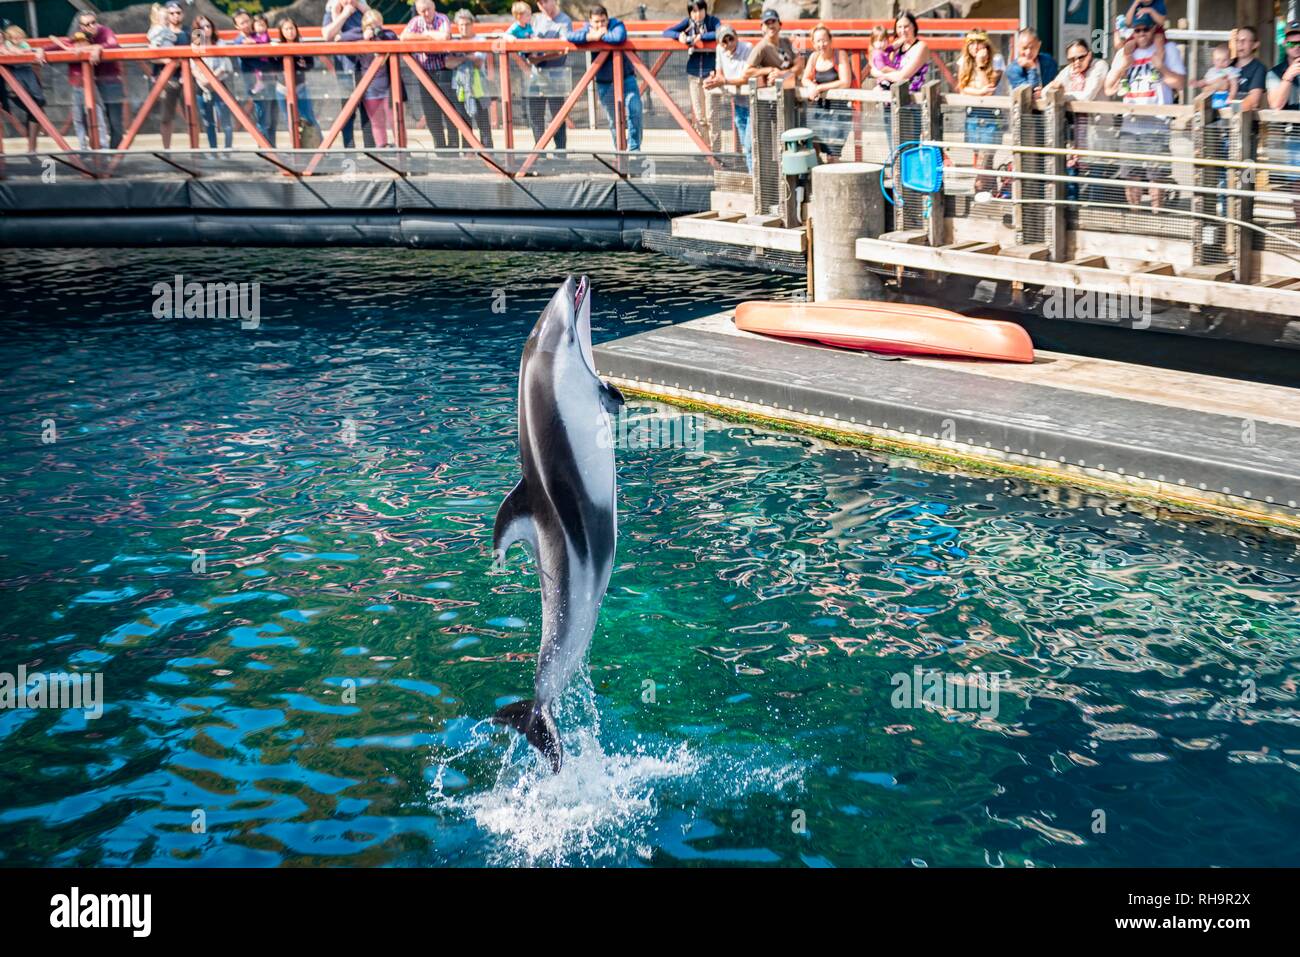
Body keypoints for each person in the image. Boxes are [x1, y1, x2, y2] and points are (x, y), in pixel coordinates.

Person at [1104, 12, 1185, 210]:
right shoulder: (1125, 51)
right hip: (1130, 123)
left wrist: (1161, 67)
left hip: (1157, 124)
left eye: (1145, 29)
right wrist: (1124, 64)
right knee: (1131, 175)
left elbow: (1180, 84)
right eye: (1137, 30)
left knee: (1156, 176)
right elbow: (1108, 88)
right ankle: (1135, 214)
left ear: (1154, 30)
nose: (1141, 33)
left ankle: (1157, 216)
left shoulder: (1167, 49)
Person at [567, 5, 641, 152]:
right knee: (614, 120)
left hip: (626, 78)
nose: (600, 25)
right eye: (596, 22)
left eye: (603, 21)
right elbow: (570, 36)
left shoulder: (616, 24)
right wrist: (590, 37)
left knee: (635, 109)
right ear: (590, 21)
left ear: (608, 19)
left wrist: (599, 36)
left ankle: (634, 150)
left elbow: (619, 37)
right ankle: (620, 151)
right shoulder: (587, 29)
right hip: (604, 82)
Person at [664, 1, 722, 154]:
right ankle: (706, 150)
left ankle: (717, 152)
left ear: (705, 10)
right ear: (689, 13)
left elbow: (720, 32)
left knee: (712, 115)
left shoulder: (712, 21)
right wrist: (680, 36)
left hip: (711, 74)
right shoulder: (687, 23)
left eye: (700, 10)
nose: (697, 14)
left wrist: (700, 37)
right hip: (694, 73)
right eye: (694, 11)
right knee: (700, 116)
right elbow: (666, 32)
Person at [63, 10, 124, 149]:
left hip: (110, 82)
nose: (91, 26)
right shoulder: (80, 35)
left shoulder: (105, 31)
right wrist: (42, 49)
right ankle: (97, 152)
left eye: (93, 22)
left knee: (115, 123)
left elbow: (113, 44)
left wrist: (98, 47)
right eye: (86, 24)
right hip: (91, 84)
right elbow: (63, 44)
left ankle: (114, 157)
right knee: (91, 120)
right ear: (81, 26)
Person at [400, 0, 454, 150]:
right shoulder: (416, 21)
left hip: (443, 71)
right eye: (422, 11)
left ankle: (454, 146)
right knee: (431, 113)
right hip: (423, 72)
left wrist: (425, 34)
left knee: (449, 111)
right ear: (418, 11)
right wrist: (429, 37)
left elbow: (444, 37)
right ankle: (440, 147)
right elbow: (404, 37)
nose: (426, 13)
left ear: (434, 7)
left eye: (428, 9)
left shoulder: (442, 18)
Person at [341, 8, 399, 147]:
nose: (375, 29)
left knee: (395, 120)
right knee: (377, 122)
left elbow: (393, 37)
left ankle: (401, 148)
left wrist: (379, 36)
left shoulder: (386, 34)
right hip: (369, 89)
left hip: (388, 88)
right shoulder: (359, 34)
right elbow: (341, 38)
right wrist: (364, 37)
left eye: (377, 25)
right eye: (371, 26)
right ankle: (382, 147)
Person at [956, 29, 1002, 194]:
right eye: (971, 43)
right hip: (972, 115)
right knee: (980, 159)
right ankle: (991, 192)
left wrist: (980, 65)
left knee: (985, 159)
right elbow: (962, 88)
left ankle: (980, 191)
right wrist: (979, 92)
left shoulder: (996, 60)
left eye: (978, 43)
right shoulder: (964, 61)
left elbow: (989, 89)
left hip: (991, 115)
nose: (975, 47)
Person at [322, 0, 373, 148]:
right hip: (344, 67)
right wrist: (344, 15)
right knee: (347, 110)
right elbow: (327, 35)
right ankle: (349, 148)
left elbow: (378, 26)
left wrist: (364, 8)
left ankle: (372, 148)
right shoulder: (331, 11)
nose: (349, 1)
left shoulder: (363, 10)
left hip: (366, 66)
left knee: (368, 108)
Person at [703, 23, 752, 171]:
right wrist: (714, 79)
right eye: (724, 41)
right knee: (746, 145)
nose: (728, 43)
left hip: (754, 104)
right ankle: (753, 178)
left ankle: (757, 181)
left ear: (736, 37)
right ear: (720, 43)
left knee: (750, 146)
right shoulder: (720, 50)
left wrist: (723, 81)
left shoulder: (747, 48)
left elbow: (746, 77)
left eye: (731, 38)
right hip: (739, 103)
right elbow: (720, 72)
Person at [1265, 21, 1300, 227]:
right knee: (1298, 186)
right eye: (1292, 43)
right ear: (1285, 44)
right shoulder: (1275, 72)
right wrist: (1288, 77)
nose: (1296, 47)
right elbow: (1275, 105)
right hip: (1293, 135)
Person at [528, 0, 574, 151]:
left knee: (557, 115)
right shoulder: (535, 19)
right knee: (535, 113)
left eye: (545, 1)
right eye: (540, 3)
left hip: (556, 74)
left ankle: (560, 151)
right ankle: (539, 150)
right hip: (536, 74)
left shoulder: (564, 21)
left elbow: (563, 49)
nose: (543, 6)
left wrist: (539, 57)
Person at [800, 24, 849, 162]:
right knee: (814, 148)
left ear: (831, 40)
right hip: (820, 111)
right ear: (813, 43)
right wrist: (811, 86)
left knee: (833, 154)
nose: (822, 44)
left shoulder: (840, 55)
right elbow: (805, 78)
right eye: (818, 41)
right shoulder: (814, 57)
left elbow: (845, 82)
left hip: (839, 112)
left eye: (824, 40)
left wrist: (819, 88)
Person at [446, 9, 494, 148]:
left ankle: (488, 151)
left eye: (466, 24)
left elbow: (479, 62)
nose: (464, 28)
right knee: (464, 120)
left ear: (472, 24)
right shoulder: (454, 41)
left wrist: (460, 58)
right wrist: (467, 57)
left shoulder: (480, 40)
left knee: (483, 121)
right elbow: (448, 63)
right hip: (460, 86)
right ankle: (468, 151)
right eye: (461, 25)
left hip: (478, 85)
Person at [147, 1, 191, 149]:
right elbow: (151, 56)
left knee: (192, 117)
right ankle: (167, 150)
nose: (175, 16)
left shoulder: (191, 31)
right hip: (166, 78)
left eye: (178, 12)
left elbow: (201, 53)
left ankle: (196, 150)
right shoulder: (158, 31)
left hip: (187, 78)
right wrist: (169, 60)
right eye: (172, 13)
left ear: (183, 13)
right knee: (166, 117)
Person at [231, 9, 277, 147]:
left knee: (272, 119)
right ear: (237, 26)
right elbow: (253, 60)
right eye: (242, 22)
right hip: (256, 84)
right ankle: (265, 150)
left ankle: (272, 149)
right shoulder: (239, 42)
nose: (246, 24)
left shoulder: (257, 35)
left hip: (269, 81)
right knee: (264, 119)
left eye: (247, 20)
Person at [191, 15, 234, 149]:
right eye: (202, 27)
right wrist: (204, 80)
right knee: (208, 122)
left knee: (226, 121)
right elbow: (193, 68)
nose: (205, 29)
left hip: (219, 84)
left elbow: (225, 66)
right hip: (202, 87)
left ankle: (227, 150)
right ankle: (213, 150)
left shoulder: (220, 43)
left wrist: (211, 78)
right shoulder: (195, 45)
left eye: (208, 26)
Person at [274, 17, 319, 142]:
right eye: (286, 29)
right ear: (281, 32)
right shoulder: (277, 47)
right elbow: (275, 66)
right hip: (282, 88)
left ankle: (319, 146)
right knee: (289, 119)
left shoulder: (302, 45)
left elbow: (310, 64)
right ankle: (296, 147)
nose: (290, 32)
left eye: (292, 28)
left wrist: (302, 65)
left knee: (308, 117)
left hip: (300, 87)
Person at [2, 26, 45, 152]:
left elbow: (31, 49)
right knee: (35, 111)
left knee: (36, 108)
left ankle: (32, 147)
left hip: (23, 84)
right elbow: (9, 50)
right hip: (12, 88)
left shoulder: (19, 45)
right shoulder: (6, 46)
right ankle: (31, 146)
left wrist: (38, 51)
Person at [870, 11, 928, 93]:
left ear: (914, 26)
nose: (903, 30)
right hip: (893, 93)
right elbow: (875, 67)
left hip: (911, 97)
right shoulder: (897, 46)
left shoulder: (921, 46)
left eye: (906, 26)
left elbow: (903, 76)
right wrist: (876, 71)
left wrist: (880, 74)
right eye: (899, 27)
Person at [744, 9, 799, 87]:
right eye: (767, 23)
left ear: (779, 24)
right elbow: (746, 72)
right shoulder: (761, 47)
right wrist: (769, 70)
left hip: (791, 87)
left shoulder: (787, 42)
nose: (771, 26)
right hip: (773, 91)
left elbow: (799, 66)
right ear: (762, 27)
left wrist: (782, 74)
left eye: (773, 21)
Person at [1005, 28, 1057, 93]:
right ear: (1018, 47)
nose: (1028, 52)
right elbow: (1027, 93)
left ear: (1039, 45)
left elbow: (1054, 84)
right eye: (1024, 48)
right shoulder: (1012, 69)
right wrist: (1032, 68)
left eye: (1032, 48)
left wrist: (1044, 91)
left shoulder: (1049, 61)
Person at [1231, 25, 1267, 112]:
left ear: (1255, 45)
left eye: (1244, 40)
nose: (1240, 44)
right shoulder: (1228, 64)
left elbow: (1253, 101)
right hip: (1220, 122)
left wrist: (1231, 110)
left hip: (1246, 122)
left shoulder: (1259, 68)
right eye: (1237, 40)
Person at [1193, 44, 1238, 109]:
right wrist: (1197, 83)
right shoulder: (1211, 71)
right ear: (1213, 61)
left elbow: (1234, 84)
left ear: (1230, 61)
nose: (1221, 63)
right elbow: (1205, 81)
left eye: (1224, 60)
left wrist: (1231, 96)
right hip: (1211, 97)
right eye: (1218, 60)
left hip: (1224, 96)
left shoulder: (1230, 70)